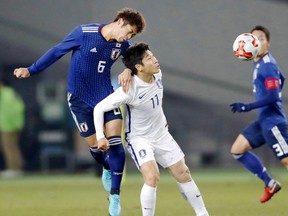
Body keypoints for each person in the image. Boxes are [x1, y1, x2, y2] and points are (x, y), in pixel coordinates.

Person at [13, 8, 146, 216]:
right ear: (120, 21)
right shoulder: (84, 33)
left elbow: (133, 60)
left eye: (132, 36)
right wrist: (31, 69)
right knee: (96, 147)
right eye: (129, 32)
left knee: (115, 144)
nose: (128, 38)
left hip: (105, 96)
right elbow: (57, 51)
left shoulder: (123, 45)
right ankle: (106, 168)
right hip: (79, 98)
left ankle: (115, 196)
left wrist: (128, 69)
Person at [94, 42, 209, 216]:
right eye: (149, 58)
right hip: (139, 139)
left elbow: (133, 66)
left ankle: (203, 214)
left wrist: (127, 69)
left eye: (153, 56)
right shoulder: (128, 89)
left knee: (183, 173)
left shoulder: (157, 74)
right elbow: (99, 108)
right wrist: (101, 136)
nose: (155, 60)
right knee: (152, 177)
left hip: (162, 135)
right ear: (139, 67)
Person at [230, 25, 288, 203]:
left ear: (268, 43)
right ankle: (270, 183)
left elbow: (271, 96)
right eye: (253, 39)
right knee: (237, 150)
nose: (256, 42)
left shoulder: (267, 66)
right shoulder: (259, 62)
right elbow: (282, 79)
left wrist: (248, 106)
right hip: (264, 121)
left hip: (274, 123)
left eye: (261, 38)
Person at [0, 77, 25, 178]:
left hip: (7, 125)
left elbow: (9, 111)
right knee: (14, 147)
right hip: (15, 124)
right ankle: (17, 168)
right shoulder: (13, 93)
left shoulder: (4, 94)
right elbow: (19, 108)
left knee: (8, 148)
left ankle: (13, 169)